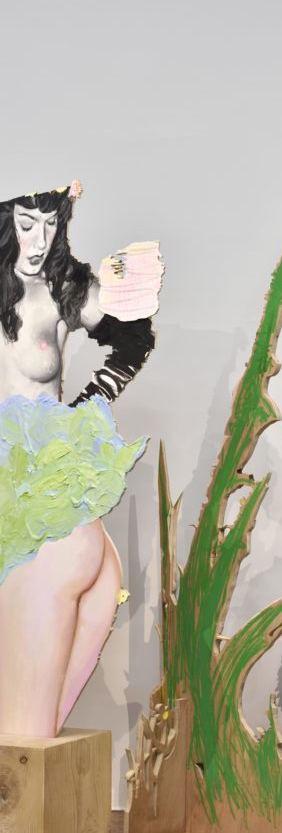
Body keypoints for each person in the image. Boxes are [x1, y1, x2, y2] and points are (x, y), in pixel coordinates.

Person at [0, 182, 155, 737]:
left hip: (53, 492)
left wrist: (92, 402)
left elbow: (134, 337)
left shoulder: (61, 291)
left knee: (30, 739)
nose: (39, 239)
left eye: (51, 222)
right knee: (26, 736)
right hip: (22, 519)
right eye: (26, 223)